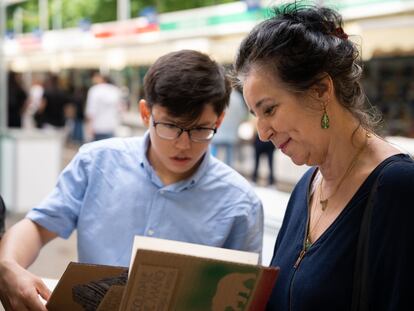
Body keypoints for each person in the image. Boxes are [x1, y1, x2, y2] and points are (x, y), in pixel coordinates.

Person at [0, 50, 263, 311]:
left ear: (219, 119)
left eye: (200, 129)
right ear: (145, 113)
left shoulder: (239, 203)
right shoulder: (97, 163)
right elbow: (38, 226)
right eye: (170, 126)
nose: (183, 144)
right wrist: (8, 266)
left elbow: (241, 296)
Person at [234, 3, 414, 310]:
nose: (262, 133)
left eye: (270, 110)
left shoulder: (399, 188)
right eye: (255, 114)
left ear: (320, 90)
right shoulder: (308, 184)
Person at [211, 88, 247, 167]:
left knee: (212, 156)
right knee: (229, 159)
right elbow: (242, 115)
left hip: (218, 132)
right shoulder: (238, 98)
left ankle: (209, 171)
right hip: (231, 134)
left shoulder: (220, 96)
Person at [85, 72, 123, 141]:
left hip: (97, 127)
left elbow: (91, 111)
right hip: (112, 126)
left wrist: (89, 126)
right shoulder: (115, 90)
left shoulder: (94, 90)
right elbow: (120, 109)